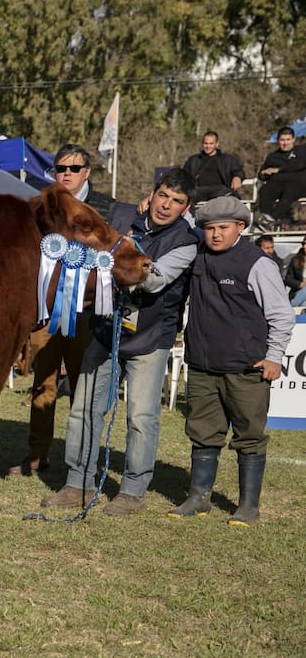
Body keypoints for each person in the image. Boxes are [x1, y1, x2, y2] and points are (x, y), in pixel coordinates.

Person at [42, 169, 199, 513]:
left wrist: (113, 264)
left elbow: (154, 280)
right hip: (104, 330)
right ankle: (76, 483)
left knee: (141, 417)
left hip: (150, 339)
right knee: (84, 409)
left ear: (186, 207)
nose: (166, 205)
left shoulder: (187, 242)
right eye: (163, 195)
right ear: (153, 193)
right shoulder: (122, 216)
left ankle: (132, 491)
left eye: (177, 201)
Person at [167, 196, 294, 526]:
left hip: (246, 368)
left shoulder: (257, 263)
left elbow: (282, 316)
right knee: (203, 433)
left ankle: (248, 506)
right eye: (209, 228)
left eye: (223, 228)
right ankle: (198, 497)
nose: (216, 235)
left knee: (249, 435)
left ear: (241, 227)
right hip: (203, 366)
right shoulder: (197, 257)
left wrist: (274, 357)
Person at [11, 144, 115, 475]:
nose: (66, 174)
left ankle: (85, 460)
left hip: (87, 310)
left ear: (87, 172)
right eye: (60, 168)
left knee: (84, 391)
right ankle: (36, 455)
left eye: (73, 168)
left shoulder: (106, 208)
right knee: (43, 385)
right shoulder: (43, 207)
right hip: (46, 309)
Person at [255, 127, 305, 226]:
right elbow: (262, 173)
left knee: (289, 192)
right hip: (277, 184)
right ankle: (265, 217)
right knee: (265, 190)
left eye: (288, 140)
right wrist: (263, 174)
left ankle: (273, 218)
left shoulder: (302, 151)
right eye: (282, 140)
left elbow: (300, 165)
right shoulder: (273, 156)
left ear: (293, 139)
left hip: (297, 184)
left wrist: (278, 170)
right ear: (278, 141)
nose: (285, 143)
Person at [182, 131, 244, 203]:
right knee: (187, 197)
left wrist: (237, 177)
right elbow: (183, 175)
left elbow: (238, 170)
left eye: (211, 143)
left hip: (220, 190)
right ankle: (191, 214)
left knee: (223, 197)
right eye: (206, 143)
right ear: (202, 144)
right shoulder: (194, 160)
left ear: (217, 144)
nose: (208, 146)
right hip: (199, 190)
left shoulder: (227, 159)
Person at [285, 236, 306, 307]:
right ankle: (292, 306)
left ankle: (291, 306)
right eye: (304, 244)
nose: (305, 246)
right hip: (298, 291)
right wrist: (299, 284)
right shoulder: (296, 260)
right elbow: (288, 279)